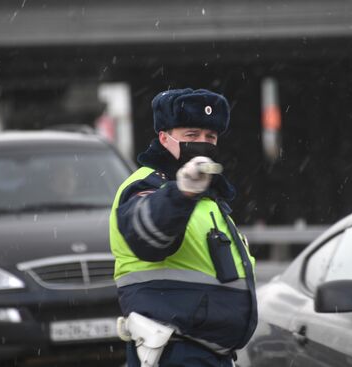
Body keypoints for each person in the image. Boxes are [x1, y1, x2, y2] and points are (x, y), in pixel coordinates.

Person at [109, 88, 257, 367]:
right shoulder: (146, 186)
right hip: (174, 352)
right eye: (191, 135)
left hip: (208, 354)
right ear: (164, 138)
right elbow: (149, 235)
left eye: (210, 137)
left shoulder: (209, 197)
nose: (202, 143)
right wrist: (181, 193)